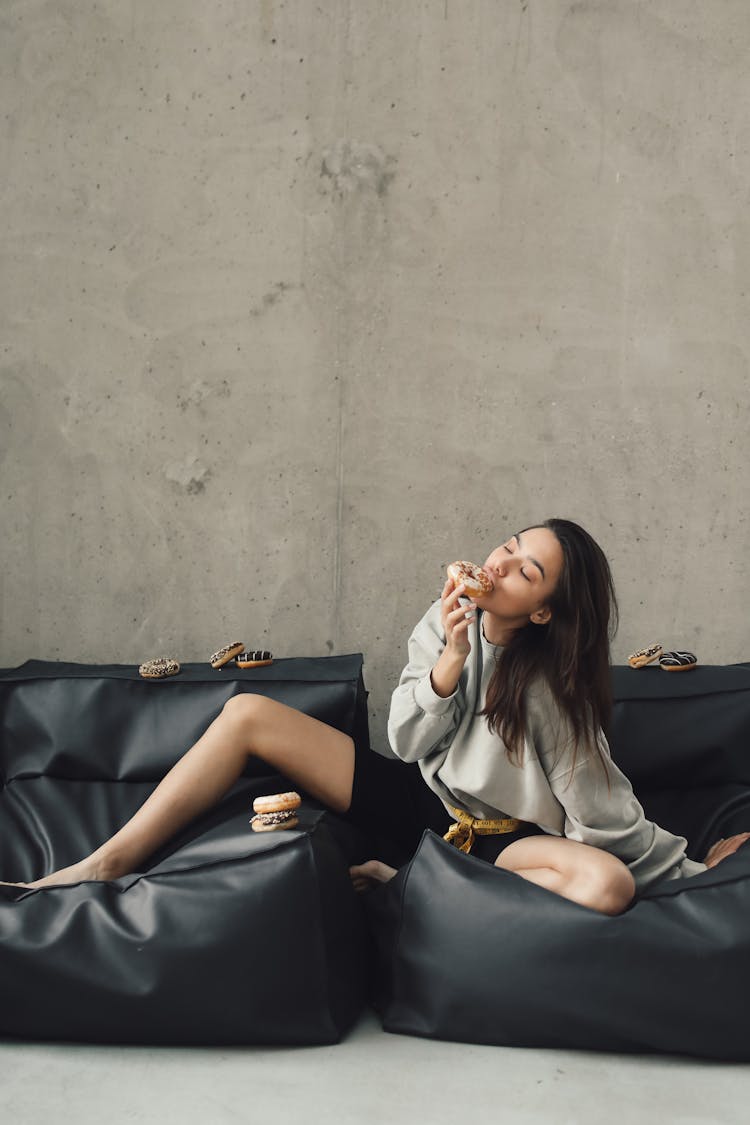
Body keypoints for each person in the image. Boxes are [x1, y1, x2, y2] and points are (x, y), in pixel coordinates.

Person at [5, 519, 748, 911]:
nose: (504, 561)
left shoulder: (554, 691)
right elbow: (402, 737)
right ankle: (103, 862)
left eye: (528, 569)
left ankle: (412, 888)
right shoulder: (444, 617)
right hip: (422, 803)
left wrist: (686, 869)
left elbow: (602, 814)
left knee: (608, 887)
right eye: (511, 545)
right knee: (246, 713)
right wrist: (450, 658)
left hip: (500, 845)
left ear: (546, 607)